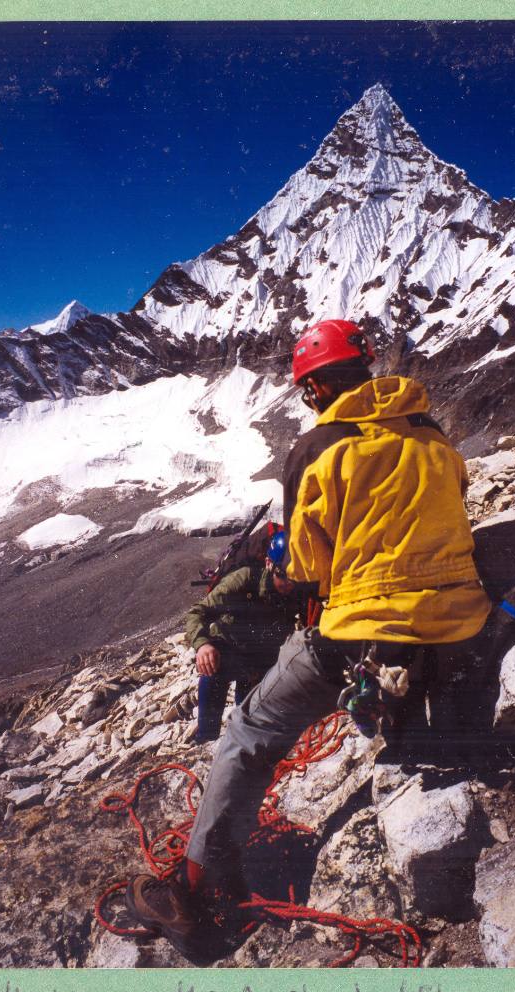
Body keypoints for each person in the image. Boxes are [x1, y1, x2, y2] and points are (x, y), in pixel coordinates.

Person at [125, 318, 492, 959]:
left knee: (248, 730)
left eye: (306, 391)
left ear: (316, 386)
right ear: (369, 368)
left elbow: (302, 567)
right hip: (460, 623)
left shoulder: (319, 448)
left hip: (361, 634)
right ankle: (403, 714)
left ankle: (193, 885)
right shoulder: (433, 433)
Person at [185, 530, 297, 742]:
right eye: (283, 573)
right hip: (227, 651)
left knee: (250, 724)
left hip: (261, 660)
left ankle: (244, 734)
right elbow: (197, 613)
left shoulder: (299, 591)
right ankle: (206, 739)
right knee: (212, 669)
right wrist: (202, 646)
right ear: (268, 564)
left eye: (296, 574)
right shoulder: (244, 579)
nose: (289, 583)